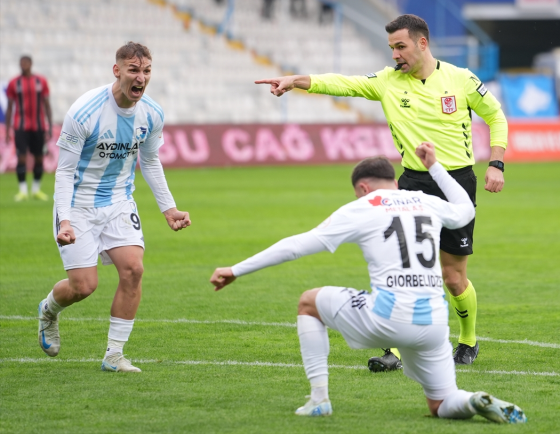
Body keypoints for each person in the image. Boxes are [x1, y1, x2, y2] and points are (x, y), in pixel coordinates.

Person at [255, 14, 509, 367]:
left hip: (456, 184)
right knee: (397, 268)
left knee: (452, 276)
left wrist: (496, 163)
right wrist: (295, 80)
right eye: (391, 48)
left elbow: (496, 117)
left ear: (422, 43)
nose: (394, 55)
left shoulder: (461, 79)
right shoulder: (387, 82)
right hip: (410, 184)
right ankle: (393, 348)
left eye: (400, 47)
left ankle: (468, 340)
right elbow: (343, 84)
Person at [210, 143, 526, 423]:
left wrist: (237, 269)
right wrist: (434, 167)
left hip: (387, 317)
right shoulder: (424, 200)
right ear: (393, 180)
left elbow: (297, 245)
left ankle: (319, 400)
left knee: (309, 302)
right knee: (440, 403)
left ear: (363, 187)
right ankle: (471, 400)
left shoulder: (362, 207)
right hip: (432, 322)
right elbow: (465, 210)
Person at [36, 42, 191, 373]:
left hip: (120, 201)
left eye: (147, 71)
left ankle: (114, 355)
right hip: (78, 206)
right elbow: (63, 172)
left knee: (134, 269)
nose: (141, 78)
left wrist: (169, 209)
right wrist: (65, 221)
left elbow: (149, 160)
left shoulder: (152, 113)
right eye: (134, 70)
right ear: (117, 70)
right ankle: (49, 310)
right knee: (83, 287)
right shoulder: (85, 111)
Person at [4, 55, 53, 202]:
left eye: (26, 63)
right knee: (21, 157)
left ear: (31, 64)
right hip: (20, 127)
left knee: (39, 159)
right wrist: (7, 130)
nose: (23, 65)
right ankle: (23, 191)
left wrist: (49, 126)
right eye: (21, 63)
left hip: (38, 127)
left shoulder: (41, 81)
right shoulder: (14, 83)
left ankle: (36, 190)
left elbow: (47, 105)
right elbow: (10, 107)